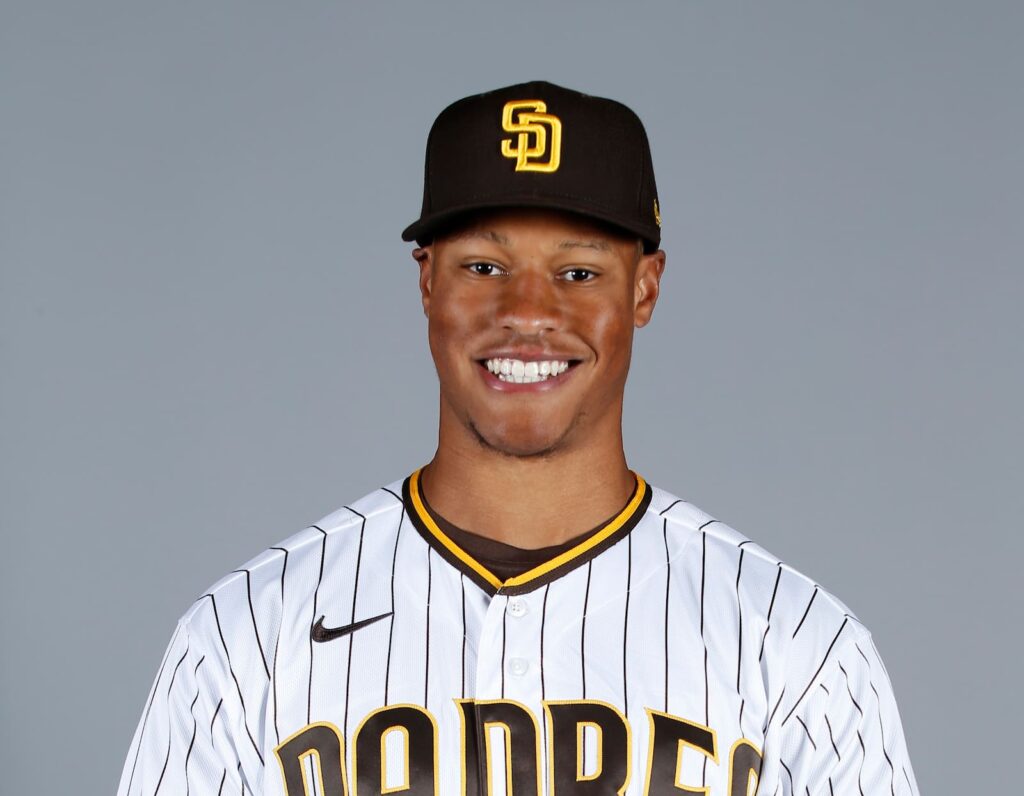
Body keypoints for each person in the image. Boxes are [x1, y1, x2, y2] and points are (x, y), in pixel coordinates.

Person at [117, 81, 918, 795]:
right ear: (427, 279)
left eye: (578, 272)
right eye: (483, 268)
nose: (529, 312)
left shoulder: (799, 650)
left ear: (645, 288)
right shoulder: (247, 635)